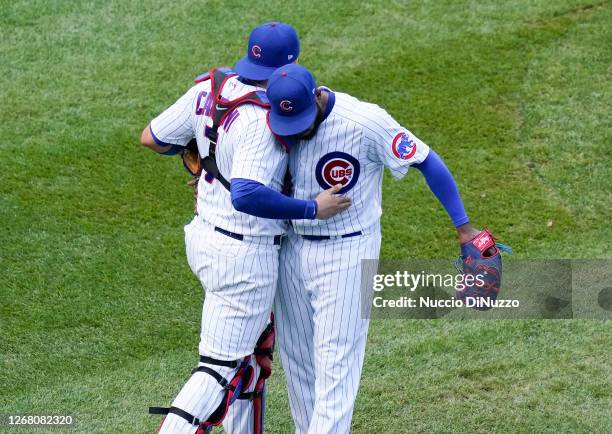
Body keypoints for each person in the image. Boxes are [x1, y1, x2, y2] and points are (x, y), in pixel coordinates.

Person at [232, 63, 493, 433]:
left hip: (347, 253)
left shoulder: (365, 122)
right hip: (291, 249)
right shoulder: (266, 118)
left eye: (302, 121)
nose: (296, 132)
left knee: (336, 366)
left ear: (316, 97)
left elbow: (426, 160)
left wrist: (463, 227)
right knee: (299, 364)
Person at [140, 23, 349, 434]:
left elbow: (153, 138)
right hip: (243, 257)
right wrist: (312, 208)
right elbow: (248, 195)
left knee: (252, 360)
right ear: (291, 63)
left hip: (204, 239)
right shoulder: (262, 120)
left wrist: (204, 155)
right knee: (218, 370)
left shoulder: (211, 87)